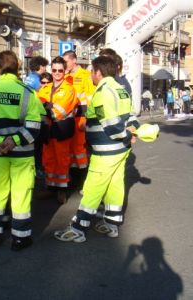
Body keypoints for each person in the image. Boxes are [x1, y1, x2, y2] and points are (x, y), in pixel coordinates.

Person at [54, 55, 138, 243]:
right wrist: (132, 132)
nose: (91, 74)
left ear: (98, 73)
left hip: (105, 150)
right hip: (120, 150)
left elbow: (111, 125)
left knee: (93, 187)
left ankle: (78, 227)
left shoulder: (103, 92)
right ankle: (111, 224)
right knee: (115, 186)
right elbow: (132, 116)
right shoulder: (121, 89)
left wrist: (126, 135)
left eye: (92, 71)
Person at [0, 50, 42, 251]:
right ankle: (20, 238)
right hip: (23, 153)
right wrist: (14, 141)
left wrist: (0, 141)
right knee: (21, 194)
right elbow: (34, 127)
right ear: (18, 67)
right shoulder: (28, 93)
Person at [37, 56, 79, 204]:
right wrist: (47, 106)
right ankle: (50, 187)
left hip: (61, 130)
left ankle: (62, 189)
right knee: (48, 159)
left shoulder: (69, 89)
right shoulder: (45, 87)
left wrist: (46, 107)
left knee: (62, 160)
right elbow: (37, 106)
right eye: (54, 70)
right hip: (48, 130)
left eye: (60, 70)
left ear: (64, 71)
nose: (56, 73)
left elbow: (59, 111)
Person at [63, 50, 95, 191]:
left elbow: (91, 98)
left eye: (66, 61)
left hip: (80, 117)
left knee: (80, 150)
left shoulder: (86, 76)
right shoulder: (66, 76)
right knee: (70, 150)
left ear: (74, 60)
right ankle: (74, 180)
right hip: (69, 118)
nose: (65, 64)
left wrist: (86, 118)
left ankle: (84, 182)